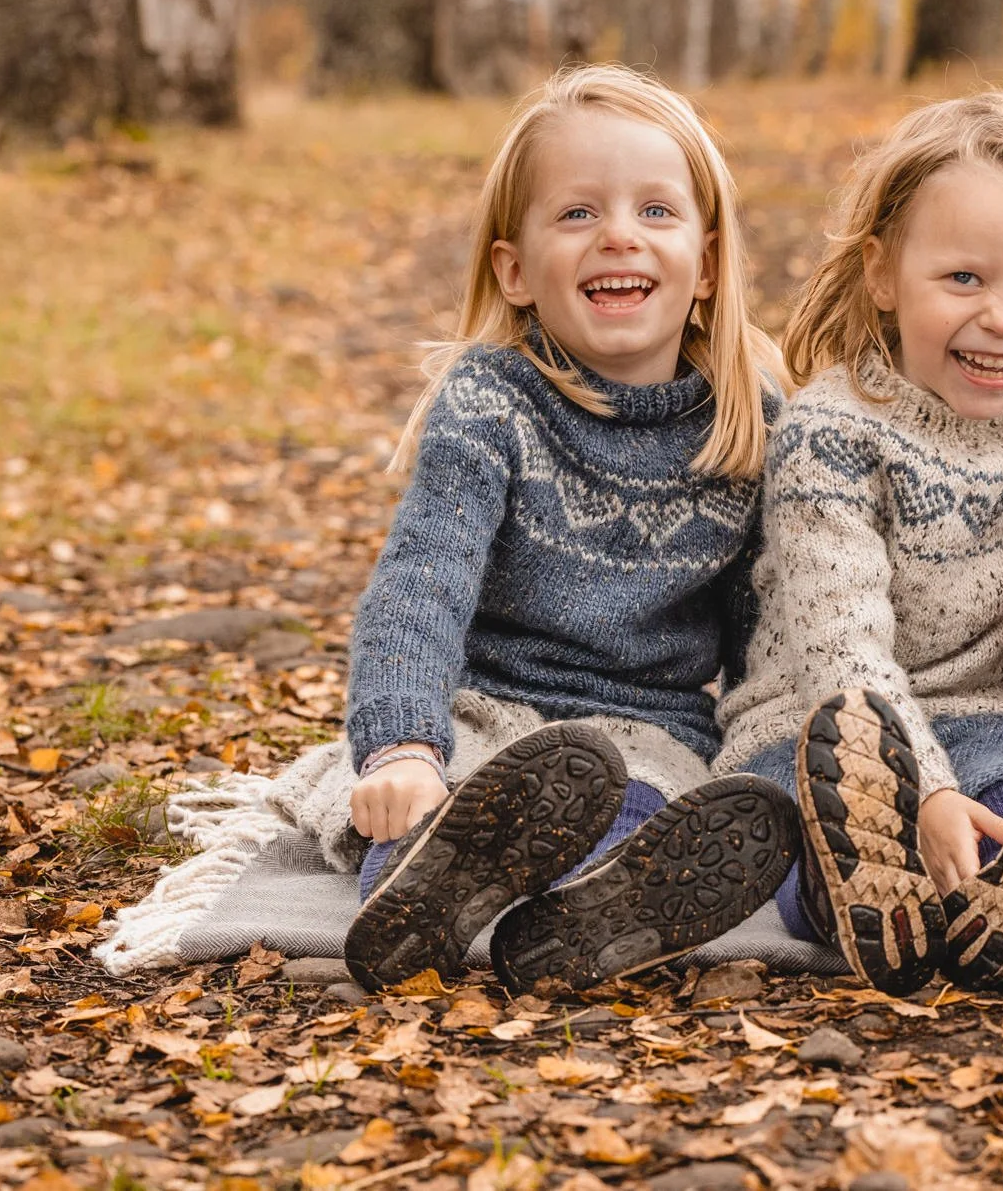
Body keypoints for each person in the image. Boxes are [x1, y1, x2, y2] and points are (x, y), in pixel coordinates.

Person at [338, 63, 798, 995]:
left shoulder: (749, 424)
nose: (619, 234)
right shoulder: (492, 402)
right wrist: (401, 746)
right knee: (436, 811)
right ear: (515, 269)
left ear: (708, 265)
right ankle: (428, 891)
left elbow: (767, 649)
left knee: (642, 803)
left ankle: (597, 913)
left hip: (647, 724)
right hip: (486, 709)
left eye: (656, 212)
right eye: (578, 213)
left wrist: (777, 773)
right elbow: (418, 587)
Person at [713, 92, 1003, 995]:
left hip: (989, 713)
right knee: (808, 820)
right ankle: (862, 904)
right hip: (817, 721)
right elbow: (840, 638)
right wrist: (925, 790)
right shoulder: (834, 428)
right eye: (964, 279)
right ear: (882, 274)